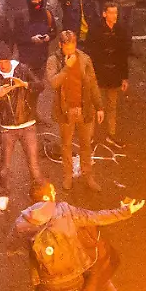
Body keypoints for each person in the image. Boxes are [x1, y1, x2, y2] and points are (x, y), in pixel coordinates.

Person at [0, 46, 43, 210]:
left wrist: (24, 84)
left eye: (5, 61)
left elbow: (40, 86)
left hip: (28, 124)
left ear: (10, 59)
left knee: (34, 164)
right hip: (7, 127)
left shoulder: (23, 69)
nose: (2, 65)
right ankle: (4, 193)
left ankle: (38, 193)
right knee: (4, 166)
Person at [46, 29, 104, 191]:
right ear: (60, 45)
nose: (70, 52)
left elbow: (92, 84)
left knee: (86, 144)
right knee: (66, 145)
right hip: (66, 111)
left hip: (85, 109)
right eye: (67, 48)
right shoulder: (53, 61)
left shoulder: (85, 59)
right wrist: (66, 68)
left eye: (73, 47)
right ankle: (68, 176)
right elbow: (53, 83)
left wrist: (99, 106)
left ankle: (88, 176)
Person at [83, 1, 131, 148]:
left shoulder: (121, 30)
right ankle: (89, 137)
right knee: (93, 106)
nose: (114, 16)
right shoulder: (95, 30)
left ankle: (111, 135)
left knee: (112, 107)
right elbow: (89, 53)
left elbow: (124, 55)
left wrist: (124, 77)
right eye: (111, 13)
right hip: (98, 74)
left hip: (114, 75)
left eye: (116, 13)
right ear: (104, 14)